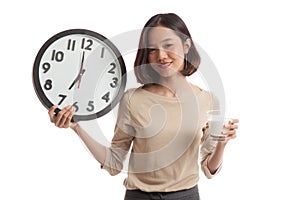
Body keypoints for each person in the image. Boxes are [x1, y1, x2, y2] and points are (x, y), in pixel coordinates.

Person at [48, 13, 239, 200]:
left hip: (187, 195)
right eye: (152, 50)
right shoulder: (132, 99)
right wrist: (76, 128)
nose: (161, 55)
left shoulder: (208, 101)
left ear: (186, 45)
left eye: (168, 45)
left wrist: (221, 144)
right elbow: (114, 163)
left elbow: (209, 169)